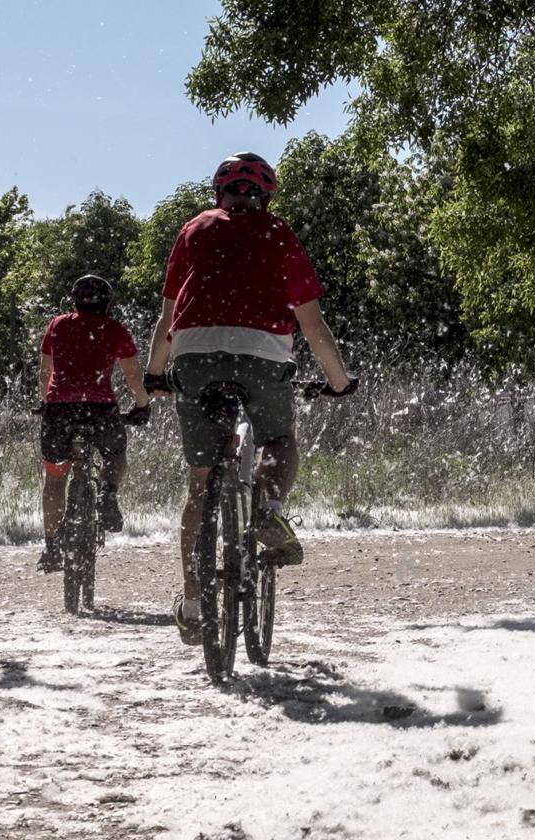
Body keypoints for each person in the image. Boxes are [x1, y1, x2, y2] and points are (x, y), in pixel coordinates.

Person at [143, 152, 356, 644]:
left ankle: (194, 605)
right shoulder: (279, 233)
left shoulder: (193, 230)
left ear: (220, 193)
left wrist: (155, 375)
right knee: (278, 438)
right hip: (263, 353)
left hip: (193, 353)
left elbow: (166, 319)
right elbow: (311, 322)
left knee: (200, 486)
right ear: (265, 194)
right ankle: (269, 507)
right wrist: (339, 381)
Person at [37, 275, 151, 572]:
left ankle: (50, 548)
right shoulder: (115, 330)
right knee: (115, 455)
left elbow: (45, 371)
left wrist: (45, 401)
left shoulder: (58, 325)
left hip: (59, 410)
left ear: (74, 300)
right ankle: (107, 493)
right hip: (101, 410)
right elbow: (133, 377)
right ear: (108, 303)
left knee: (54, 479)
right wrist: (142, 405)